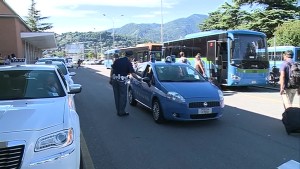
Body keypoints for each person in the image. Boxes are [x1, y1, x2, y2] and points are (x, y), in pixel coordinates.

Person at [110, 50, 136, 116]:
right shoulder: (128, 62)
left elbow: (112, 70)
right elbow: (133, 74)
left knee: (117, 96)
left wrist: (110, 79)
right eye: (132, 57)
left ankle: (118, 111)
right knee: (123, 96)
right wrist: (140, 79)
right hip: (122, 81)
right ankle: (121, 112)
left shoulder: (117, 60)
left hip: (114, 80)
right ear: (131, 56)